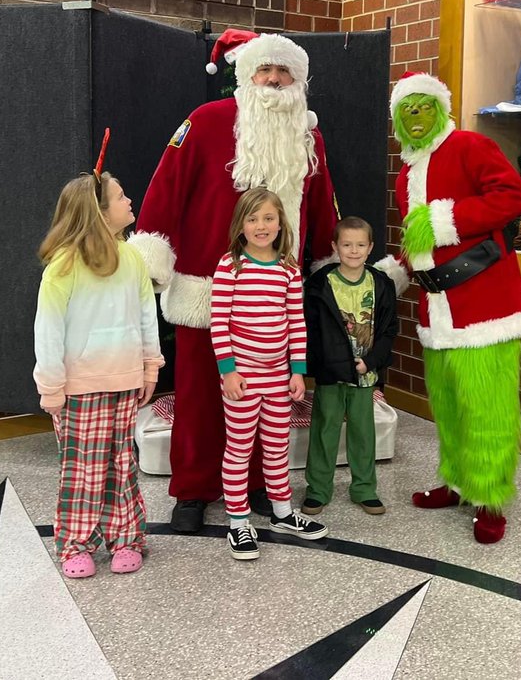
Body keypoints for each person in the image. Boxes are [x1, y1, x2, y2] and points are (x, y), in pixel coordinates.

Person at [129, 30, 339, 535]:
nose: (272, 79)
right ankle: (194, 490)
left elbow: (321, 202)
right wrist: (154, 252)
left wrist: (330, 262)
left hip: (276, 297)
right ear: (245, 76)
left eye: (283, 72)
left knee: (271, 402)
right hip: (209, 287)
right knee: (202, 396)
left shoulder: (309, 138)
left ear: (298, 80)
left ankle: (261, 488)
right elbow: (165, 186)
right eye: (264, 70)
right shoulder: (206, 122)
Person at [378, 71, 521, 545]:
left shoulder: (469, 146)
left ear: (440, 108)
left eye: (424, 106)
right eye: (407, 110)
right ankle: (458, 482)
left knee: (487, 407)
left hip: (484, 308)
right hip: (437, 311)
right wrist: (391, 275)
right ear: (398, 121)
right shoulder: (407, 173)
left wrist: (446, 219)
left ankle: (491, 499)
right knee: (448, 406)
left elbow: (514, 197)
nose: (417, 117)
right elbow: (418, 241)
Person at [33, 170, 163, 577]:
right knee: (83, 470)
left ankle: (126, 539)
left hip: (124, 382)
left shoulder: (132, 258)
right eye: (121, 196)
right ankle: (76, 544)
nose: (130, 201)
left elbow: (146, 316)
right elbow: (49, 330)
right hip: (79, 388)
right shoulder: (63, 267)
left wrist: (149, 366)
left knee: (120, 466)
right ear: (98, 211)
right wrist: (51, 386)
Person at [210, 187, 329, 560]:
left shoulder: (288, 268)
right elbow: (218, 323)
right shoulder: (231, 265)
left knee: (278, 447)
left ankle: (282, 513)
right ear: (240, 225)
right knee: (240, 449)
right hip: (242, 378)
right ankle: (238, 522)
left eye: (268, 218)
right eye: (252, 218)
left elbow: (296, 321)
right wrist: (228, 372)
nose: (261, 226)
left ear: (280, 223)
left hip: (279, 377)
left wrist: (298, 372)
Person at [301, 216, 398, 516]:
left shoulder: (381, 284)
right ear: (335, 246)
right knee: (324, 429)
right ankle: (317, 489)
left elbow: (388, 329)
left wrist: (370, 361)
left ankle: (364, 488)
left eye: (360, 245)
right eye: (346, 244)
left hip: (365, 372)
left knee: (362, 431)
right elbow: (312, 330)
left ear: (370, 248)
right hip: (331, 371)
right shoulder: (320, 284)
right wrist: (320, 365)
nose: (353, 251)